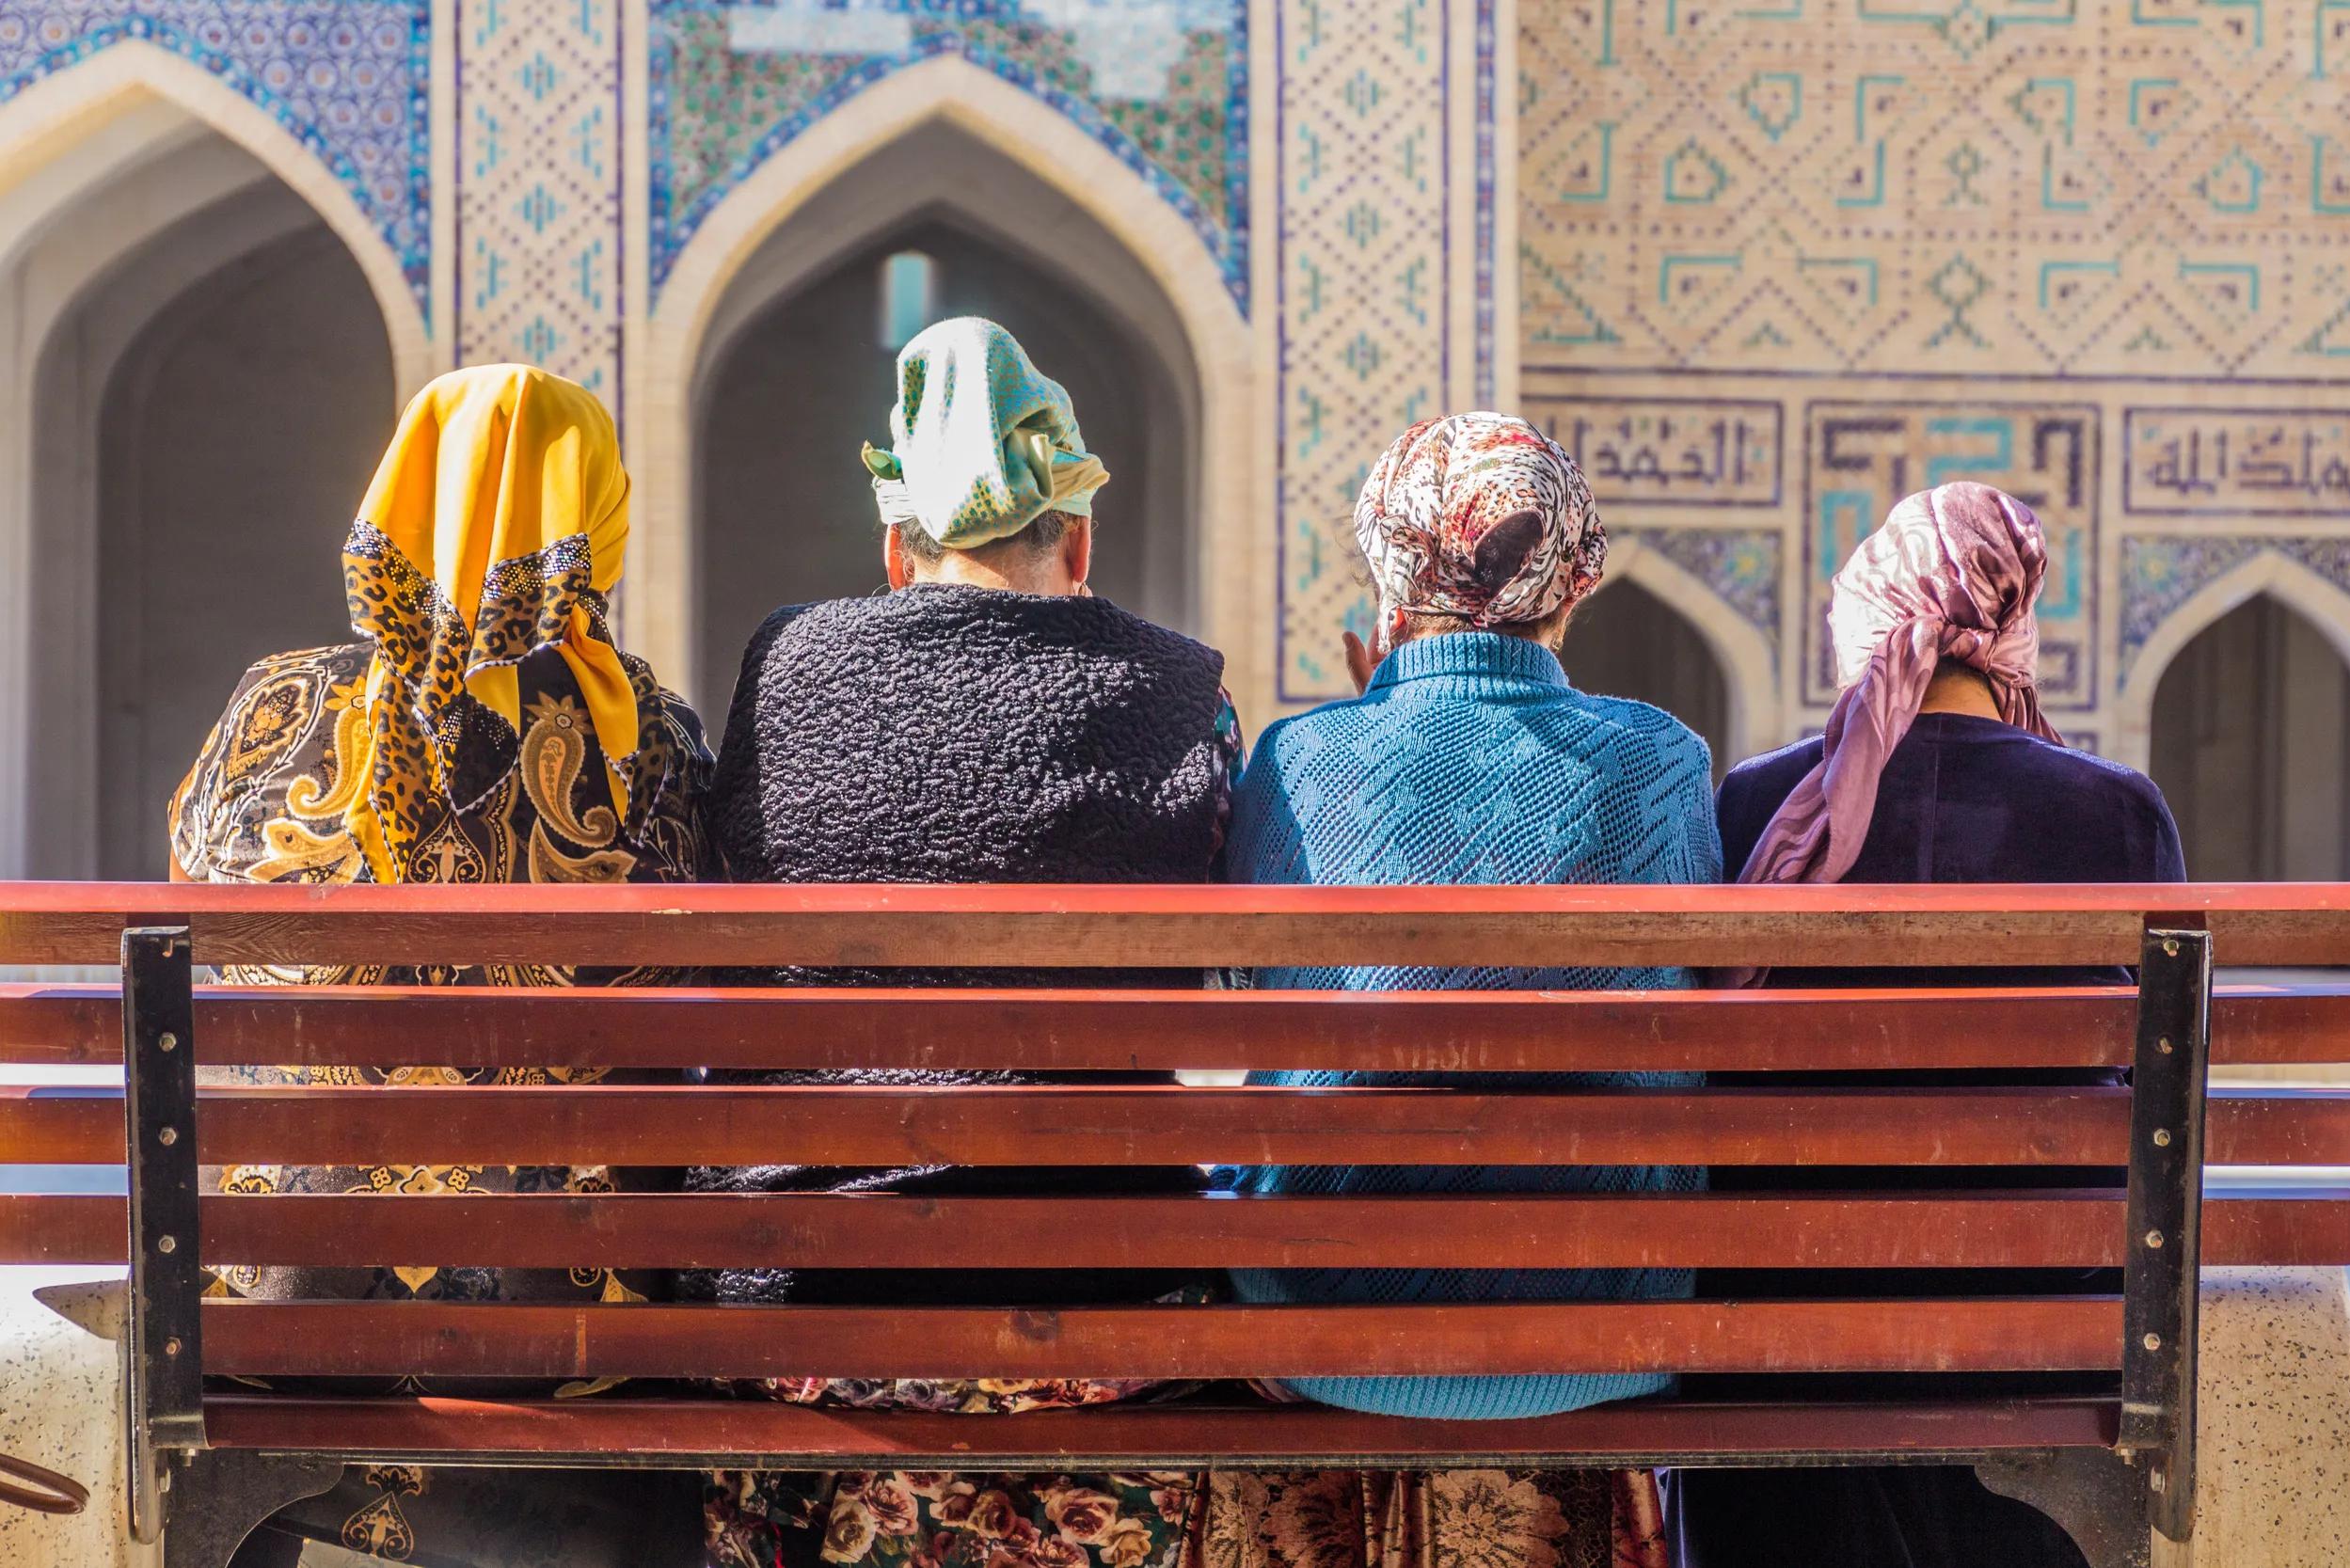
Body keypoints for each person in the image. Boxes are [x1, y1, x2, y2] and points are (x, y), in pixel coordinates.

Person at [692, 317, 1239, 1568]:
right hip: (1111, 1306)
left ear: (895, 548)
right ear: (1081, 540)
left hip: (816, 1311)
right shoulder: (1179, 681)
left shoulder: (787, 660)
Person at [168, 364, 716, 1566]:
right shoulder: (656, 742)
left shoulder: (278, 702)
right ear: (599, 524)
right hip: (566, 1346)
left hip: (274, 1321)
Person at [1204, 412, 1719, 1568]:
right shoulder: (1661, 758)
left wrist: (1367, 724)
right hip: (1612, 1332)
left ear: (1390, 570)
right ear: (1573, 576)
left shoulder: (1299, 757)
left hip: (1326, 1328)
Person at [1674, 482, 2186, 1568]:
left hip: (1773, 1333)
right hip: (2041, 1336)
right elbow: (2164, 1103)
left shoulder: (1760, 803)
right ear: (2011, 629)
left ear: (1863, 623)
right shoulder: (2116, 810)